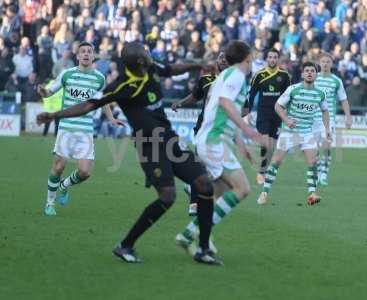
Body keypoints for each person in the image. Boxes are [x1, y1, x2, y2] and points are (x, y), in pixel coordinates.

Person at [37, 41, 221, 266]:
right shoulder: (122, 85)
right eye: (145, 53)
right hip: (149, 146)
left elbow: (173, 68)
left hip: (170, 140)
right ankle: (126, 245)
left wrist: (199, 64)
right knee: (167, 196)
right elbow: (88, 105)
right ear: (141, 61)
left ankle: (202, 249)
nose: (149, 54)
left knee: (204, 184)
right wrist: (55, 115)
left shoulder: (152, 68)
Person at [175, 40, 263, 254]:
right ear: (248, 57)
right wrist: (247, 128)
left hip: (212, 140)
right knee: (242, 189)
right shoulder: (236, 75)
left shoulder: (224, 76)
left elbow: (222, 113)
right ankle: (192, 233)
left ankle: (190, 233)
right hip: (214, 142)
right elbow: (225, 103)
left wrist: (241, 144)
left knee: (218, 192)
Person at [37, 42, 122, 216]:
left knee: (85, 172)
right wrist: (43, 91)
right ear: (77, 56)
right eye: (82, 51)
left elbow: (102, 100)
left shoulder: (99, 78)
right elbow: (50, 91)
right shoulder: (67, 74)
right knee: (59, 167)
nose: (86, 54)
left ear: (93, 56)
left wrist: (112, 118)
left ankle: (64, 185)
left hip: (85, 131)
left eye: (89, 52)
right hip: (67, 128)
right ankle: (49, 203)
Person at [257, 62, 330, 205]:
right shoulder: (293, 89)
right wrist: (286, 119)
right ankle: (264, 193)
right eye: (307, 70)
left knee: (313, 162)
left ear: (316, 74)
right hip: (289, 132)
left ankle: (312, 193)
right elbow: (278, 106)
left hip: (306, 132)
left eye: (312, 71)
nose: (309, 73)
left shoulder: (320, 94)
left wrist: (327, 128)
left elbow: (325, 110)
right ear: (302, 74)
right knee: (276, 162)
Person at [171, 52, 228, 216]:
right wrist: (180, 103)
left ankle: (191, 187)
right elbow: (195, 97)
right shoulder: (205, 79)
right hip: (202, 128)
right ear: (217, 61)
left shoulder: (233, 83)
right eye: (221, 58)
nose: (223, 61)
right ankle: (194, 203)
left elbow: (245, 107)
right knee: (199, 166)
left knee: (216, 168)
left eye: (227, 59)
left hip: (221, 130)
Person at [243, 48, 291, 186]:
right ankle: (261, 172)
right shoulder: (259, 75)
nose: (272, 59)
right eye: (270, 57)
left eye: (275, 57)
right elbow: (251, 94)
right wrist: (247, 112)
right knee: (265, 142)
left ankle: (264, 169)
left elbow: (288, 96)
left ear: (278, 59)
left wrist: (287, 114)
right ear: (266, 59)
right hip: (263, 113)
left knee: (271, 147)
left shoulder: (284, 75)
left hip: (277, 114)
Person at [313, 53, 352, 186]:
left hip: (329, 120)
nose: (325, 64)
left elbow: (344, 100)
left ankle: (323, 174)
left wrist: (348, 117)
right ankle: (318, 172)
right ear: (319, 63)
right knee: (315, 149)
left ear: (332, 64)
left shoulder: (336, 81)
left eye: (328, 62)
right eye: (323, 61)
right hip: (313, 119)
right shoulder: (313, 78)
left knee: (326, 145)